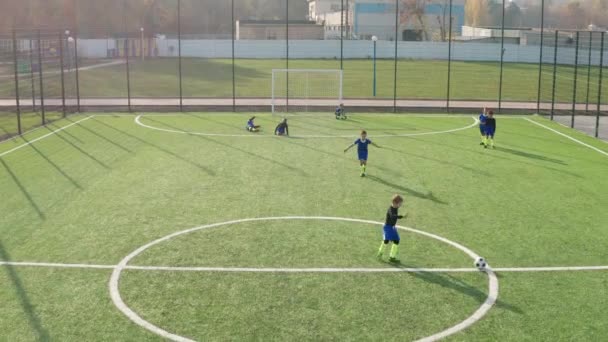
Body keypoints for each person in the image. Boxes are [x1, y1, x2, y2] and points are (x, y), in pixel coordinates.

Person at [377, 195, 405, 263]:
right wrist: (399, 216)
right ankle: (380, 253)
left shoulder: (396, 208)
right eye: (400, 203)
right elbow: (392, 216)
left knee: (396, 241)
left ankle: (392, 257)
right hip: (387, 227)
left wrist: (399, 217)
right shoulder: (391, 209)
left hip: (392, 227)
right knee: (386, 241)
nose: (401, 204)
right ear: (395, 203)